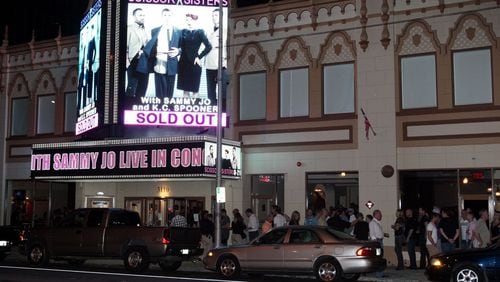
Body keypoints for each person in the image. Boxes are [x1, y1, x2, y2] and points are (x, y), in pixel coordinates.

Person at [142, 8, 181, 101]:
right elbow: (151, 46)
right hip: (159, 62)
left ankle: (168, 109)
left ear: (172, 16)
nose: (167, 17)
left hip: (172, 64)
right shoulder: (154, 30)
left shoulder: (179, 31)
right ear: (161, 16)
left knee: (170, 91)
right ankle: (159, 107)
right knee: (159, 90)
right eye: (165, 15)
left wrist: (178, 51)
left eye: (169, 15)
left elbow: (182, 47)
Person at [177, 13, 212, 98]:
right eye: (187, 20)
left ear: (195, 20)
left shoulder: (200, 32)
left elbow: (209, 46)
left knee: (194, 90)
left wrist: (199, 57)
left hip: (194, 63)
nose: (188, 22)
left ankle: (195, 108)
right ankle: (185, 109)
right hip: (183, 63)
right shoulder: (183, 32)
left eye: (190, 20)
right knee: (185, 90)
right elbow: (179, 46)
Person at [205, 8, 228, 108]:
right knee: (211, 92)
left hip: (221, 65)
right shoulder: (208, 31)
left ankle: (222, 111)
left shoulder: (226, 31)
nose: (214, 18)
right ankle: (212, 110)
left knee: (223, 92)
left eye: (216, 15)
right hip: (209, 64)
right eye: (213, 16)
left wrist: (225, 59)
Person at [126, 8, 149, 98]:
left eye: (143, 15)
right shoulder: (129, 28)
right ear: (134, 17)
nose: (142, 17)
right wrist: (127, 63)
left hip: (144, 63)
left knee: (143, 88)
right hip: (133, 62)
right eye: (140, 15)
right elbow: (125, 46)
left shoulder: (146, 29)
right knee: (132, 88)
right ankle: (127, 107)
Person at [369, 210, 385, 278]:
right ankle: (379, 274)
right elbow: (372, 233)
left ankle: (380, 273)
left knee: (380, 257)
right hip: (377, 242)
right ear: (375, 215)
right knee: (378, 258)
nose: (381, 215)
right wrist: (375, 243)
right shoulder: (372, 223)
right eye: (379, 214)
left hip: (380, 241)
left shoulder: (377, 222)